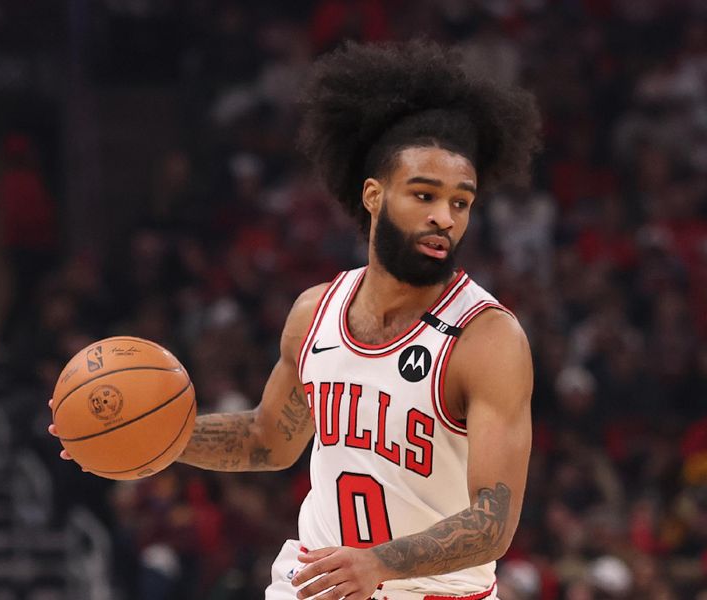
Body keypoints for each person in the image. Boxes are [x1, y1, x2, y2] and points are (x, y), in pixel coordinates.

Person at [52, 40, 540, 600]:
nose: (443, 218)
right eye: (424, 194)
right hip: (317, 583)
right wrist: (144, 435)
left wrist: (377, 563)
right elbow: (268, 441)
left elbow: (493, 522)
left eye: (461, 202)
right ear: (374, 196)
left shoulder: (487, 337)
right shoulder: (315, 312)